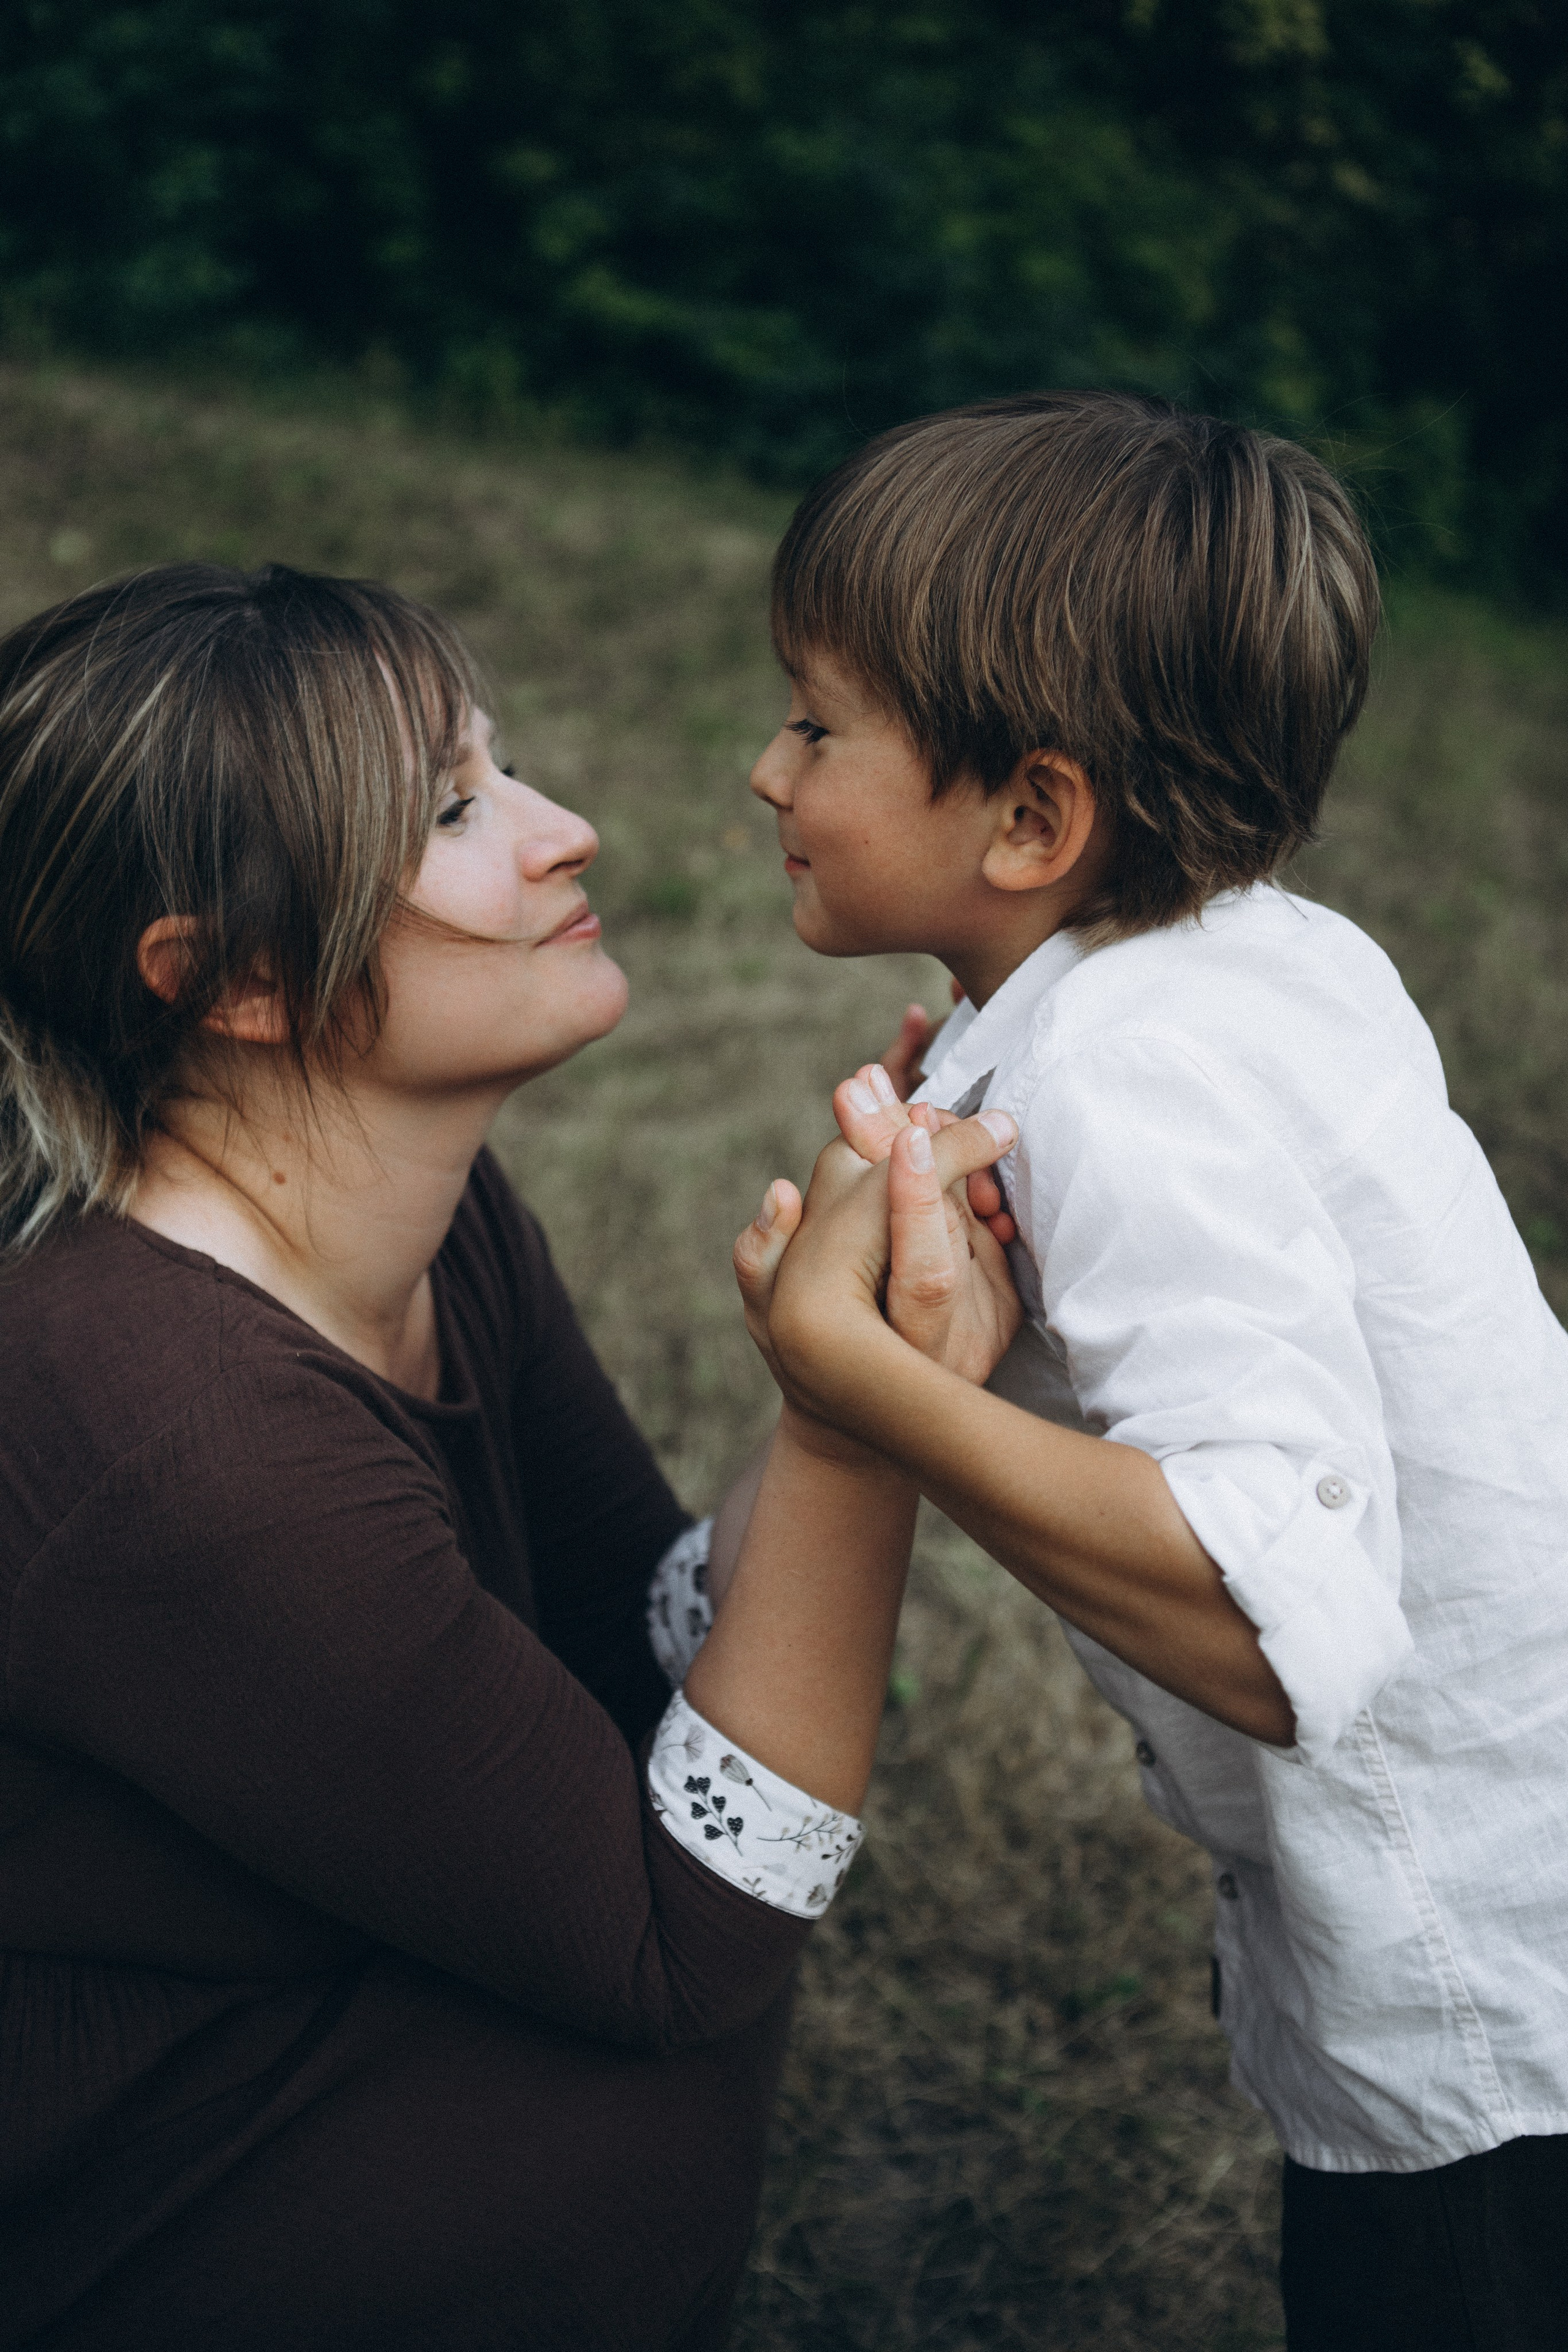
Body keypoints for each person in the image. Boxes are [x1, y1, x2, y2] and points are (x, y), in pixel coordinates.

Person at [0, 560, 1020, 2352]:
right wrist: (860, 1424)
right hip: (131, 2183)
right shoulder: (177, 1426)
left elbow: (640, 1641)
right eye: (458, 811)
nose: (569, 832)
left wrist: (853, 1363)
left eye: (503, 770)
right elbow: (687, 1938)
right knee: (653, 2068)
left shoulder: (428, 1223)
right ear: (233, 977)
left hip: (313, 1983)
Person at [744, 392, 1568, 2351]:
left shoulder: (1123, 1068)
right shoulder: (1251, 958)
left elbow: (1289, 1617)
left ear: (1032, 818)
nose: (766, 775)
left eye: (815, 721)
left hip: (1487, 1980)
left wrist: (864, 1386)